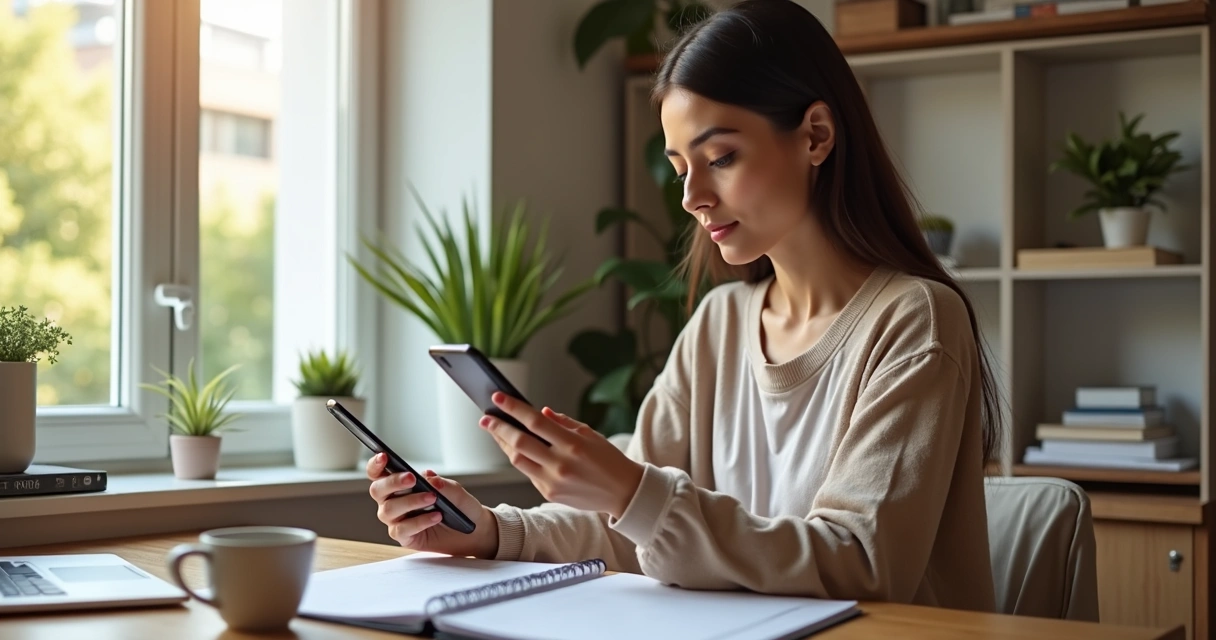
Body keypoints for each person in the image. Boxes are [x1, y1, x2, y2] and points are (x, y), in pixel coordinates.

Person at [366, 0, 1003, 613]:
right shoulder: (720, 326)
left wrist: (630, 490)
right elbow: (633, 527)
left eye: (720, 157)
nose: (693, 197)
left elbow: (862, 562)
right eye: (679, 169)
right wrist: (490, 533)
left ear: (815, 135)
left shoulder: (915, 318)